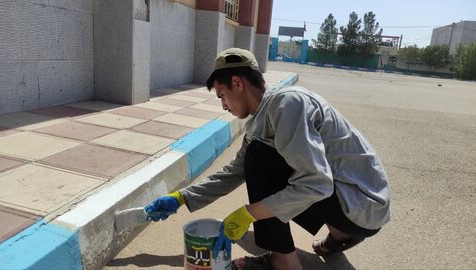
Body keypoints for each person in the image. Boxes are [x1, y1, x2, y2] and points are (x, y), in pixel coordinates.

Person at [144, 48, 391, 270]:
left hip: (362, 205)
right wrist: (181, 198)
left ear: (237, 83)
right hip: (358, 206)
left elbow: (317, 184)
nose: (223, 106)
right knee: (261, 157)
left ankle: (283, 261)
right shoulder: (262, 119)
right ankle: (339, 234)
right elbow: (233, 172)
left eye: (221, 95)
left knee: (260, 158)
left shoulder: (287, 104)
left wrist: (249, 213)